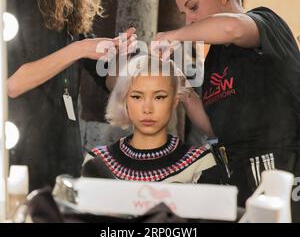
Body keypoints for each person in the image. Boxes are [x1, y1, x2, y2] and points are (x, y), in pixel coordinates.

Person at [154, 0, 300, 221]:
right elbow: (212, 128)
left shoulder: (266, 21)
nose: (189, 19)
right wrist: (183, 88)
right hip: (235, 170)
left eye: (193, 6)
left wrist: (175, 35)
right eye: (183, 13)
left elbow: (232, 28)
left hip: (280, 166)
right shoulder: (214, 59)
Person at [6, 0, 136, 192]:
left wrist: (124, 60)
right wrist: (78, 49)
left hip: (65, 153)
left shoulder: (73, 14)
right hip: (23, 154)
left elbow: (111, 83)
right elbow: (13, 84)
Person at [82, 55, 219, 183]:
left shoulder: (200, 163)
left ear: (175, 101)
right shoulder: (97, 162)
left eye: (159, 97)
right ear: (125, 101)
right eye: (137, 96)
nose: (147, 109)